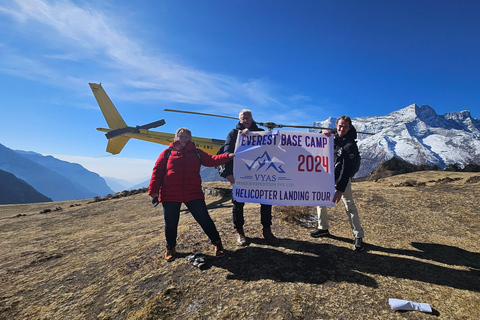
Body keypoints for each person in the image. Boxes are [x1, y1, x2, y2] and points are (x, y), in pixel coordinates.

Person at [149, 127, 235, 261]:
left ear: (190, 138)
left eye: (186, 136)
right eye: (180, 136)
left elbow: (212, 160)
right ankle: (170, 247)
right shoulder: (167, 153)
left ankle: (217, 243)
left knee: (204, 219)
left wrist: (227, 156)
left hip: (193, 192)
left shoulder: (197, 153)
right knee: (170, 223)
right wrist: (153, 192)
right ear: (175, 138)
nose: (183, 139)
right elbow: (157, 172)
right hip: (170, 193)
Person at [222, 109, 279, 246]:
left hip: (261, 174)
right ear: (239, 119)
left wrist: (252, 135)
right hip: (240, 175)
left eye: (248, 117)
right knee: (238, 203)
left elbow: (273, 146)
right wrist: (228, 174)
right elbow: (226, 153)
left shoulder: (260, 132)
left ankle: (267, 230)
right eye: (243, 118)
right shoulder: (233, 133)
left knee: (266, 201)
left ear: (252, 118)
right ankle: (239, 231)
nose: (246, 120)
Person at [310, 116, 365, 252]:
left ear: (349, 127)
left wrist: (339, 189)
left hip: (342, 178)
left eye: (345, 127)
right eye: (340, 126)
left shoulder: (350, 145)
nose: (342, 129)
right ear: (336, 125)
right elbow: (314, 142)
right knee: (321, 200)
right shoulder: (333, 136)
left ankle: (358, 235)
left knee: (349, 205)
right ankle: (323, 228)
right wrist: (321, 134)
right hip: (329, 175)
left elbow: (346, 171)